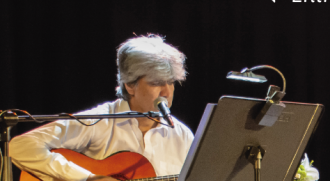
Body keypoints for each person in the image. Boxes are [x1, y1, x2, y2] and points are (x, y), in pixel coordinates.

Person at [10, 35, 193, 181]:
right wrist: (87, 178)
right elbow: (20, 146)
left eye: (171, 82)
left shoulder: (183, 136)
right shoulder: (99, 120)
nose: (166, 92)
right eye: (156, 83)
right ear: (130, 85)